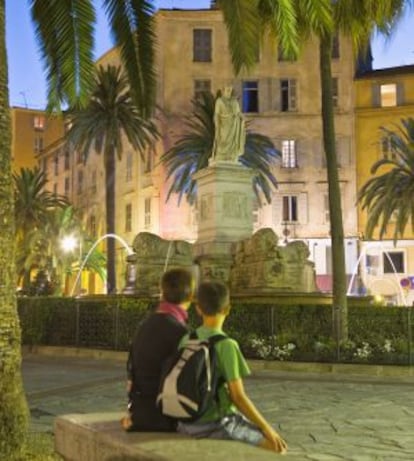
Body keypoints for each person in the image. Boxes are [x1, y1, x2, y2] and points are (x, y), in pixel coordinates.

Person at [177, 281, 288, 455]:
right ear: (227, 309)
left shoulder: (187, 339)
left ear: (198, 309)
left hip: (187, 421)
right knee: (277, 448)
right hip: (217, 423)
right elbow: (238, 397)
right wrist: (268, 429)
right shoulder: (227, 345)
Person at [122, 268, 195, 431]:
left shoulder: (144, 326)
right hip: (168, 417)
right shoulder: (180, 332)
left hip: (140, 411)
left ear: (162, 293)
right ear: (190, 296)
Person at [212, 86, 246, 162]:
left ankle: (232, 155)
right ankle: (221, 155)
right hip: (224, 124)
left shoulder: (234, 102)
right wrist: (217, 124)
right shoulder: (219, 101)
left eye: (230, 90)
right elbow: (217, 114)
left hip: (234, 124)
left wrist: (242, 118)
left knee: (233, 141)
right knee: (223, 139)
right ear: (223, 91)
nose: (229, 92)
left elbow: (238, 112)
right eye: (227, 90)